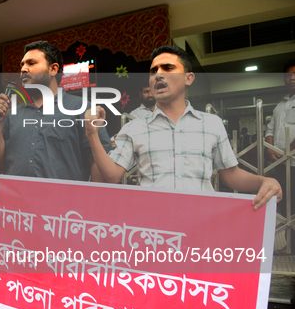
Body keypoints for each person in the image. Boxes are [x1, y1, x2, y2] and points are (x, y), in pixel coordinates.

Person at [85, 45, 281, 210]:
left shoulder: (211, 124)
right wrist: (92, 135)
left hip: (202, 221)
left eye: (167, 69)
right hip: (153, 227)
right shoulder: (134, 128)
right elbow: (111, 176)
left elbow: (230, 175)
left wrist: (264, 181)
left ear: (189, 78)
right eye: (153, 72)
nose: (158, 76)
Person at [0, 40, 112, 181]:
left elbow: (97, 163)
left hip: (64, 201)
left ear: (53, 69)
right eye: (22, 64)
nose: (23, 69)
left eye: (31, 63)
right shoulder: (11, 113)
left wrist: (92, 200)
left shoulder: (81, 108)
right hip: (16, 199)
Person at [265, 59, 295, 254]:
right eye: (288, 75)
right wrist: (269, 147)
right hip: (281, 165)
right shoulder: (280, 104)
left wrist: (290, 150)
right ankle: (286, 246)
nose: (291, 78)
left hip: (293, 162)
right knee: (283, 206)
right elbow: (270, 128)